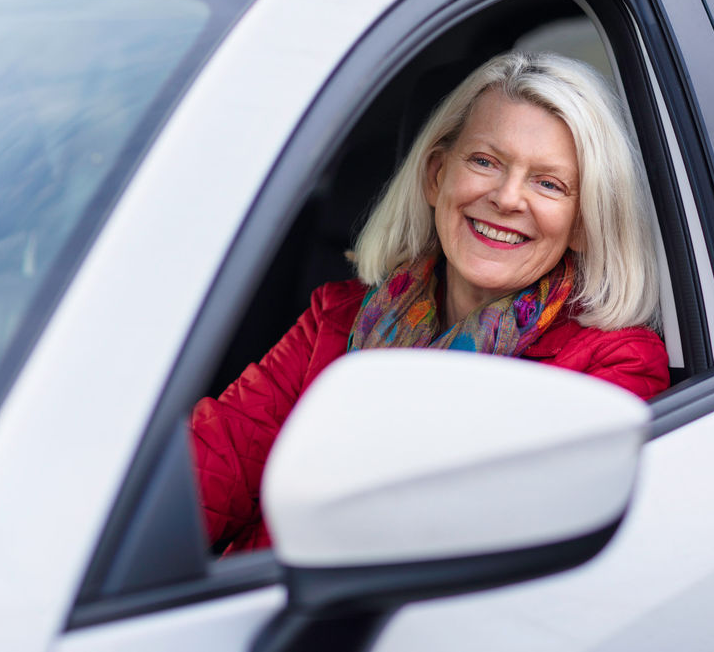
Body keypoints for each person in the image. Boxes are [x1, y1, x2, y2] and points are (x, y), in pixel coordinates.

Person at [191, 51, 669, 554]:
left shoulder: (612, 367)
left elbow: (506, 551)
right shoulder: (337, 316)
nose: (507, 198)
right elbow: (211, 462)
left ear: (583, 223)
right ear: (436, 176)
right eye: (486, 161)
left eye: (548, 183)